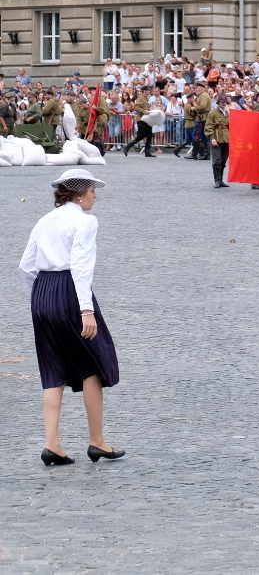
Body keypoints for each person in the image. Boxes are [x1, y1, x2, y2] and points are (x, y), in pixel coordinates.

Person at [18, 169, 124, 465]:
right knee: (94, 363)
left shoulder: (44, 220)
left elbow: (25, 266)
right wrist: (86, 310)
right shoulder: (85, 221)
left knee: (53, 367)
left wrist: (42, 297)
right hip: (69, 292)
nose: (95, 196)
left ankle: (52, 445)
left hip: (42, 292)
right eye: (92, 190)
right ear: (79, 194)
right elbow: (80, 266)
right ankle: (97, 442)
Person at [205, 93, 231, 188]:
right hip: (216, 138)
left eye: (225, 102)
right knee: (217, 161)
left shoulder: (228, 113)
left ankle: (221, 180)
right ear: (218, 102)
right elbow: (208, 127)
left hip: (226, 139)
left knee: (223, 161)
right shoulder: (213, 113)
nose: (224, 103)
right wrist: (212, 139)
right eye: (222, 102)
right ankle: (216, 180)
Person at [123, 85, 155, 158]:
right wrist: (144, 111)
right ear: (144, 91)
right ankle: (128, 146)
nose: (149, 91)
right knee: (141, 136)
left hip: (147, 119)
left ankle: (147, 152)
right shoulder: (140, 98)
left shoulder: (146, 98)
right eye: (147, 90)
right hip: (141, 119)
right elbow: (136, 107)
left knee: (149, 135)